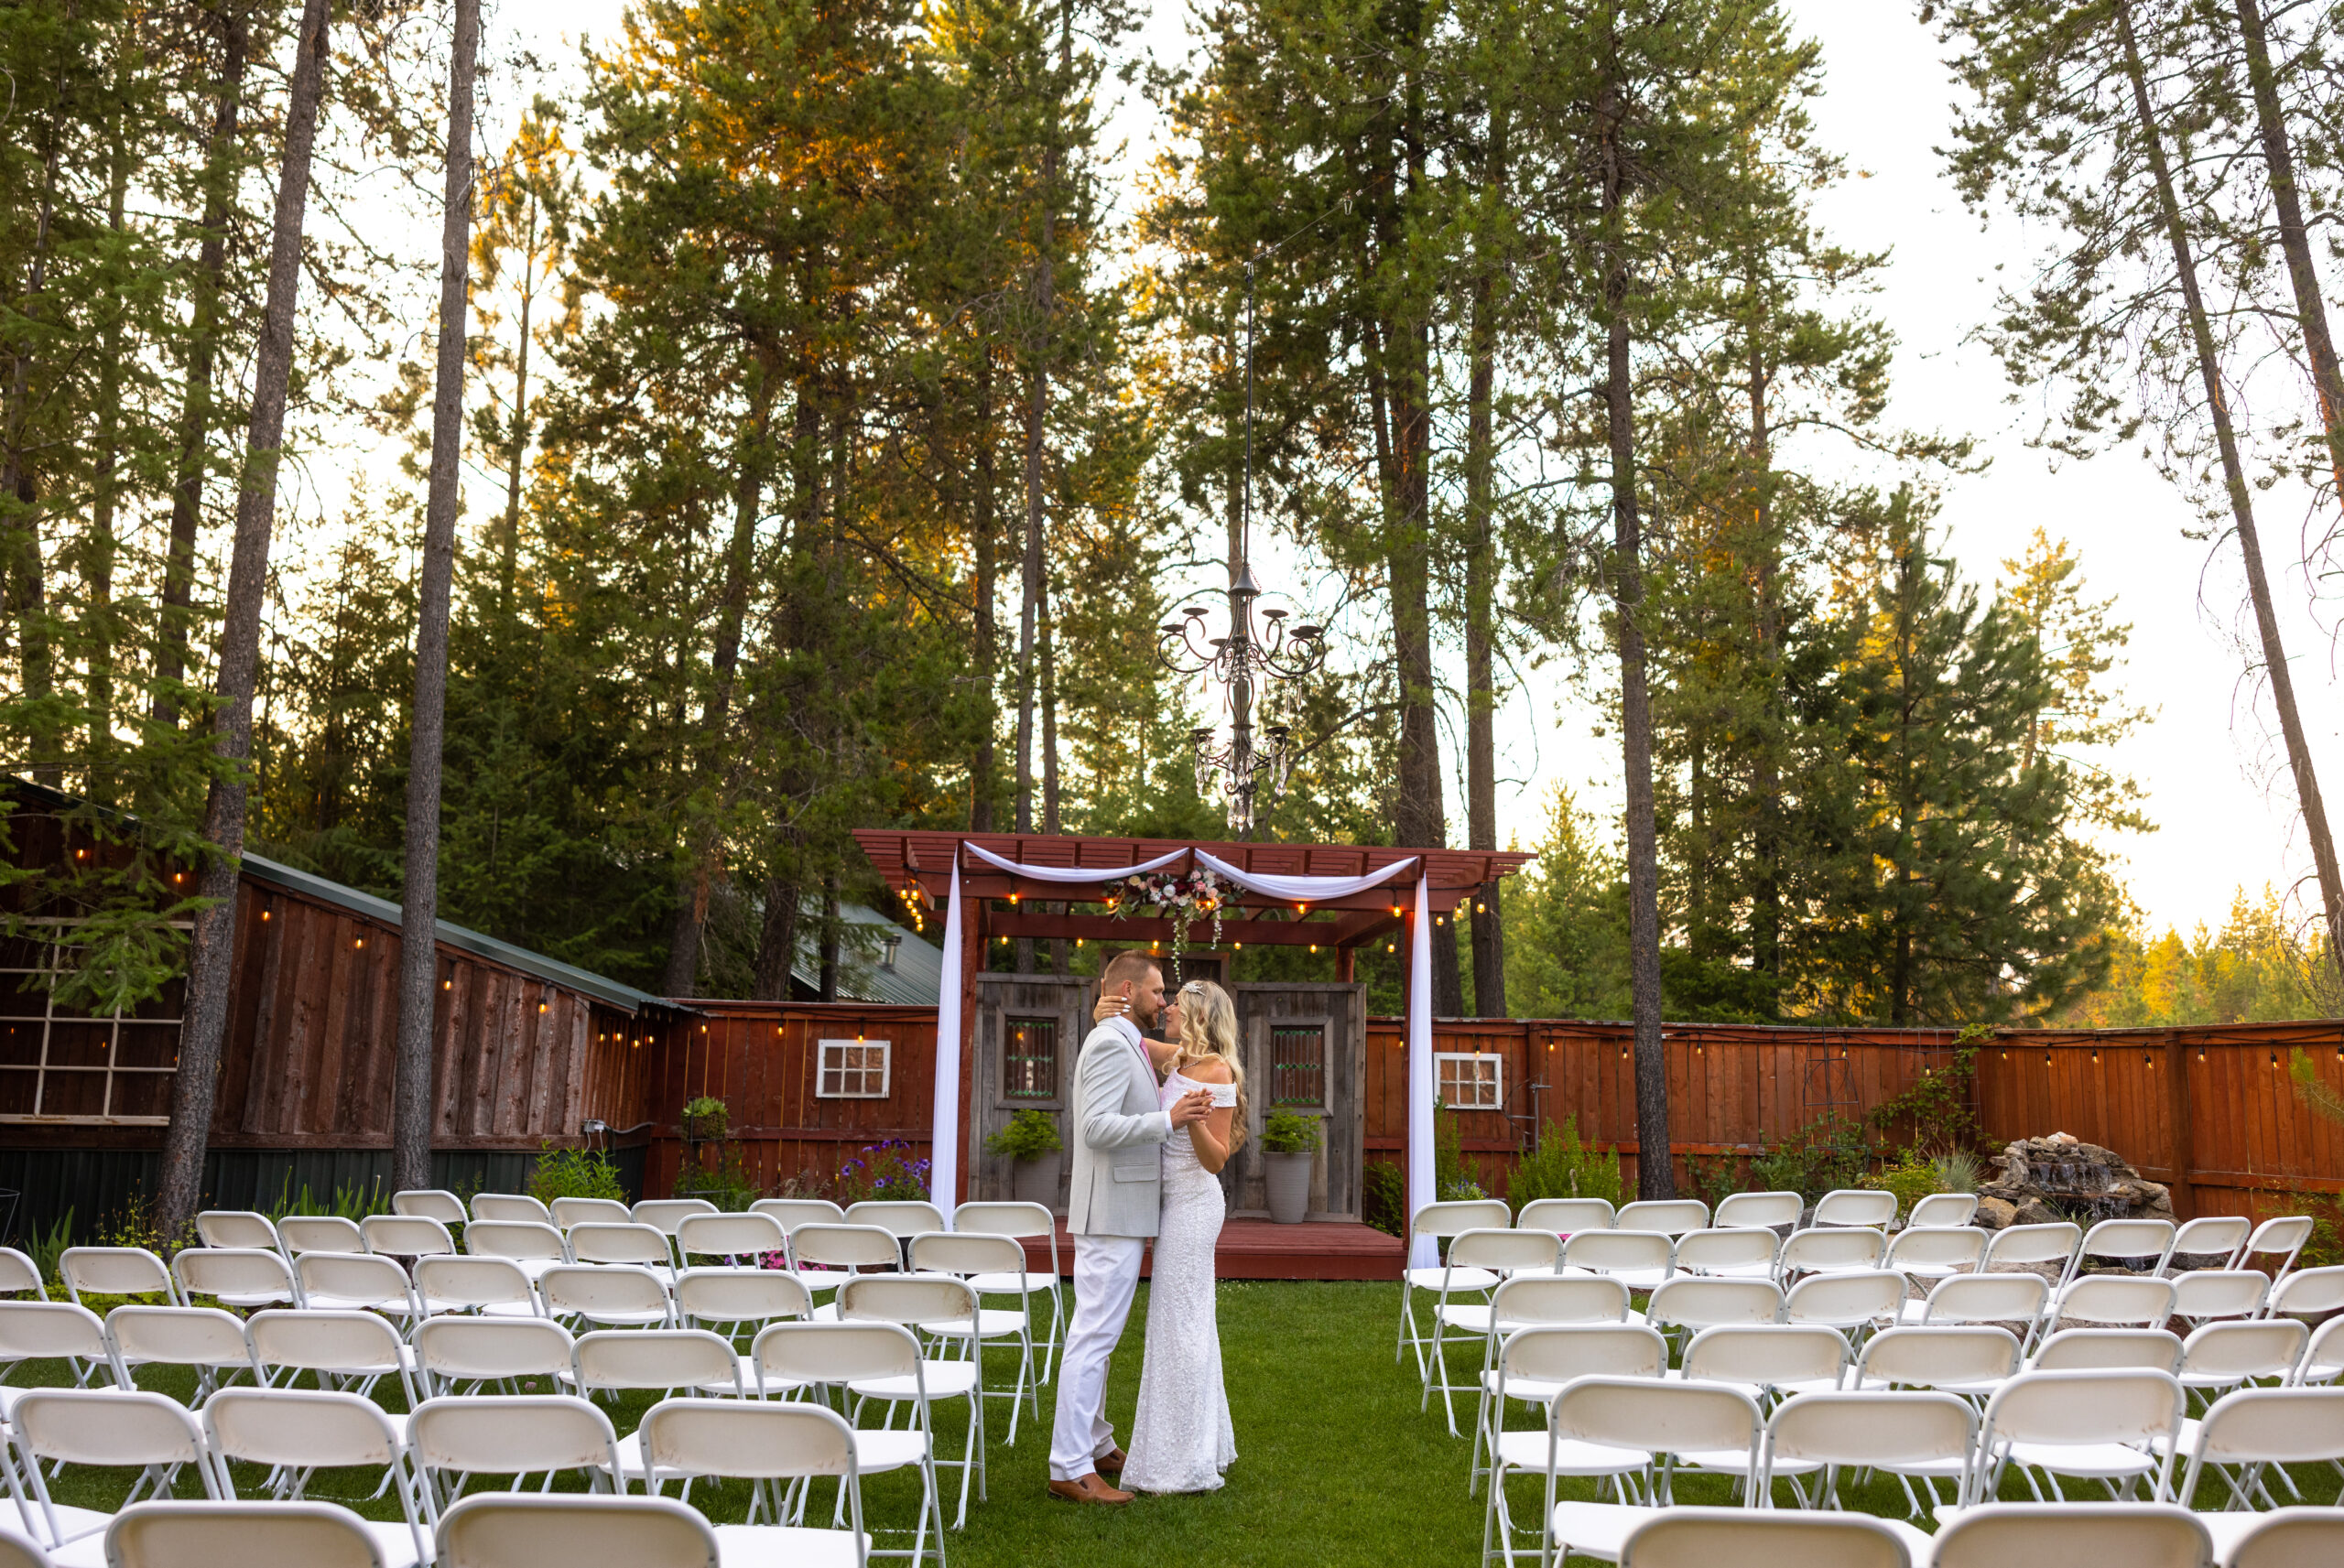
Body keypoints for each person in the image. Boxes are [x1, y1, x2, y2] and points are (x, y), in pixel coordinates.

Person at [1046, 951, 1214, 1506]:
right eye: (1158, 990)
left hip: (1123, 1213)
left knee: (1102, 1337)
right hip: (1110, 1215)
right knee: (1092, 1339)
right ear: (1128, 989)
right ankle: (1069, 1466)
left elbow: (1180, 1055)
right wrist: (1168, 1120)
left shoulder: (1126, 1039)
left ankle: (1096, 1443)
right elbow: (1095, 1128)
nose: (1163, 1000)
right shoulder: (1108, 1044)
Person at [1118, 978, 1242, 1493]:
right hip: (1170, 1207)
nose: (1166, 1008)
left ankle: (1183, 1460)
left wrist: (1191, 1121)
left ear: (1198, 1016)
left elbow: (1217, 1161)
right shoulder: (1181, 1058)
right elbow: (1134, 1039)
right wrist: (1110, 1010)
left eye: (1175, 1004)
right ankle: (1196, 1443)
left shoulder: (1217, 1071)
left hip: (1194, 1207)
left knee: (1183, 1326)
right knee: (1180, 1324)